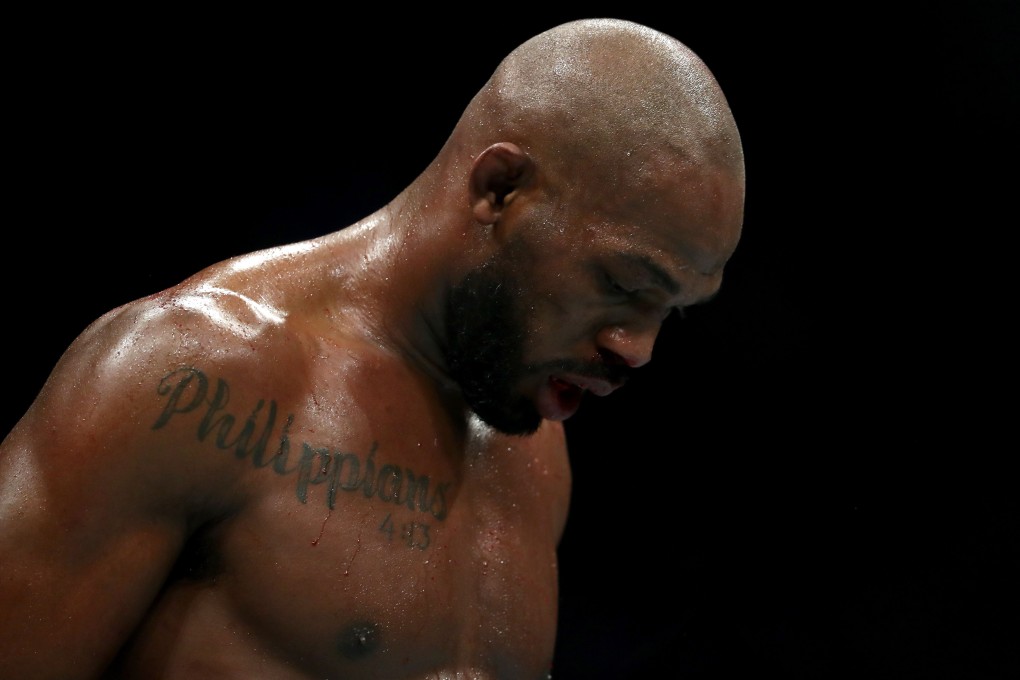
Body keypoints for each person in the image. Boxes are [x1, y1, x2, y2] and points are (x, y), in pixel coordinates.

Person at [0, 17, 744, 680]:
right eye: (621, 282)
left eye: (671, 312)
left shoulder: (533, 451)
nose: (637, 349)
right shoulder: (187, 379)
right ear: (500, 188)